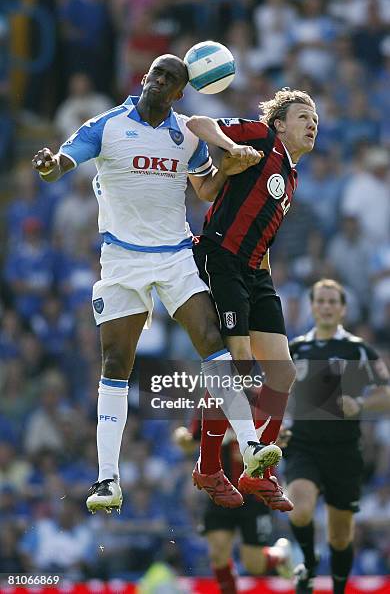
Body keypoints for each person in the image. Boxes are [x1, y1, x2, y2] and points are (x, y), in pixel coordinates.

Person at [31, 53, 282, 515]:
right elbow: (59, 163)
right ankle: (108, 477)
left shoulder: (185, 134)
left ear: (179, 92)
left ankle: (249, 445)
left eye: (169, 79)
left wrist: (233, 162)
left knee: (211, 340)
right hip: (122, 260)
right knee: (116, 362)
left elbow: (205, 189)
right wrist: (48, 165)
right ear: (145, 78)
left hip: (175, 257)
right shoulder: (105, 126)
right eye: (155, 73)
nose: (157, 81)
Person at [186, 88, 318, 511]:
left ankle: (256, 471)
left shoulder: (292, 175)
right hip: (221, 257)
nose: (312, 123)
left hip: (258, 274)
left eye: (315, 119)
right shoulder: (260, 136)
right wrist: (229, 148)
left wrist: (267, 285)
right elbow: (198, 124)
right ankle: (208, 466)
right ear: (280, 123)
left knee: (282, 374)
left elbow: (261, 232)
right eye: (303, 116)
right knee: (238, 365)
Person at [285, 279, 390, 594]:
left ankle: (340, 588)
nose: (327, 306)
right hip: (303, 445)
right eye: (321, 300)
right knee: (300, 509)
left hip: (344, 451)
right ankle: (308, 561)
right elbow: (274, 393)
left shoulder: (359, 350)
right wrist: (275, 427)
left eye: (333, 301)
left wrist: (360, 403)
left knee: (341, 536)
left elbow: (386, 393)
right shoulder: (295, 349)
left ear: (342, 309)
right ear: (313, 306)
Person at [174, 423, 293, 594]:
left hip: (254, 497)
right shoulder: (214, 402)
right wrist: (183, 438)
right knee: (218, 552)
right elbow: (191, 440)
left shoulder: (260, 402)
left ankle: (281, 555)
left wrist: (256, 455)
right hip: (219, 490)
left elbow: (281, 439)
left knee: (254, 564)